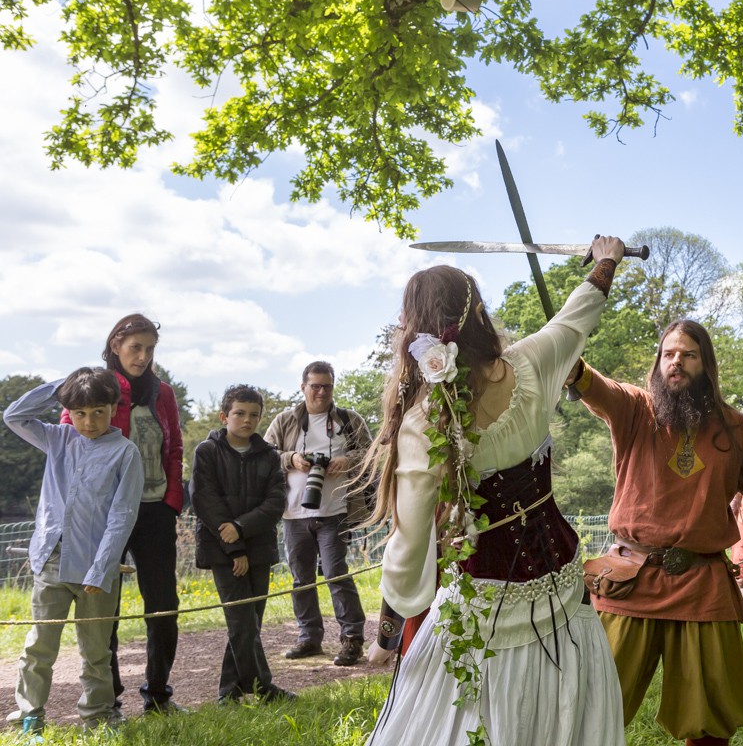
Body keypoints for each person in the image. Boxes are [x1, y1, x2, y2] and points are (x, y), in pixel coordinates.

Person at [362, 237, 628, 745]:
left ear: (416, 332)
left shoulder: (425, 422)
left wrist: (388, 632)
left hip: (483, 604)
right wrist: (606, 261)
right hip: (563, 589)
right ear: (478, 312)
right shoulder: (529, 363)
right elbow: (576, 316)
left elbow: (410, 542)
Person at [568, 318, 743, 746]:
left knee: (709, 719)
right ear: (657, 363)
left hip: (702, 585)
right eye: (669, 354)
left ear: (706, 365)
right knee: (590, 703)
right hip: (629, 580)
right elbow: (594, 385)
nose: (677, 362)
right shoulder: (634, 410)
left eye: (689, 355)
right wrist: (571, 365)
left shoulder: (736, 428)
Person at [4, 369, 145, 735]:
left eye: (98, 411)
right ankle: (29, 720)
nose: (89, 421)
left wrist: (101, 570)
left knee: (96, 652)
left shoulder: (125, 453)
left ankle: (97, 718)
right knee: (39, 648)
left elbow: (122, 516)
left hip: (96, 571)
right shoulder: (56, 438)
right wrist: (63, 387)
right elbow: (13, 416)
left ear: (113, 408)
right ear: (68, 412)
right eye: (80, 413)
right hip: (50, 562)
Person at [65, 314, 185, 713]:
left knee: (163, 608)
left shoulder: (163, 392)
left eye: (150, 349)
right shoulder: (95, 387)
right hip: (104, 515)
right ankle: (108, 698)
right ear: (115, 345)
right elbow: (68, 442)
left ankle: (158, 694)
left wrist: (171, 501)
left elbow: (174, 449)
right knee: (105, 610)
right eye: (136, 347)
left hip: (153, 512)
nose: (144, 356)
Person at [190, 384, 295, 704]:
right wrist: (234, 547)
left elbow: (276, 502)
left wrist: (241, 527)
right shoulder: (206, 452)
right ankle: (262, 687)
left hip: (259, 548)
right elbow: (204, 500)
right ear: (224, 416)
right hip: (222, 551)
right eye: (239, 413)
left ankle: (230, 691)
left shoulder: (269, 456)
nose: (247, 420)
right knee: (241, 622)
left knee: (250, 623)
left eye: (254, 415)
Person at [264, 361, 371, 666]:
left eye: (327, 386)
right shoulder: (286, 420)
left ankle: (352, 638)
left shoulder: (349, 420)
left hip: (335, 511)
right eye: (315, 386)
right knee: (301, 579)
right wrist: (292, 457)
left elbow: (372, 451)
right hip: (293, 512)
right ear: (303, 387)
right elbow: (264, 454)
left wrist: (347, 460)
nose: (321, 392)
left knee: (336, 573)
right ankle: (309, 638)